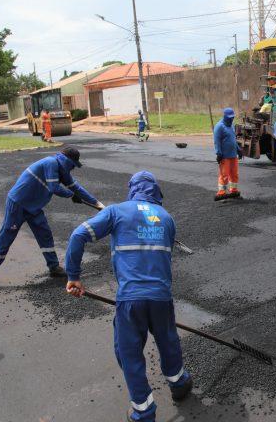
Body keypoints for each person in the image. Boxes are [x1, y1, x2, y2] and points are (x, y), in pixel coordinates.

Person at [65, 171, 193, 422]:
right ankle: (179, 384)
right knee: (168, 341)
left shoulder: (116, 212)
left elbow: (78, 235)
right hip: (161, 297)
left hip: (131, 299)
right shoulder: (167, 218)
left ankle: (144, 412)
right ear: (156, 192)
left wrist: (74, 276)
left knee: (128, 352)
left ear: (132, 189)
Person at [0, 148, 103, 291]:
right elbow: (54, 187)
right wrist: (70, 195)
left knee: (44, 234)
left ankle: (53, 267)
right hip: (18, 204)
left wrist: (98, 204)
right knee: (6, 237)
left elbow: (77, 188)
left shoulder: (62, 171)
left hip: (34, 207)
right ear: (67, 161)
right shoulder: (51, 163)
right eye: (72, 165)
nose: (72, 169)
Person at [213, 107, 242, 201]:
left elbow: (233, 139)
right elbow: (217, 141)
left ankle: (233, 191)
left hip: (233, 155)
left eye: (232, 117)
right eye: (229, 117)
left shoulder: (231, 125)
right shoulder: (219, 126)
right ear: (225, 116)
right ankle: (221, 193)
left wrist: (238, 149)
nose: (231, 119)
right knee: (224, 175)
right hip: (224, 156)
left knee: (234, 174)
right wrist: (218, 153)